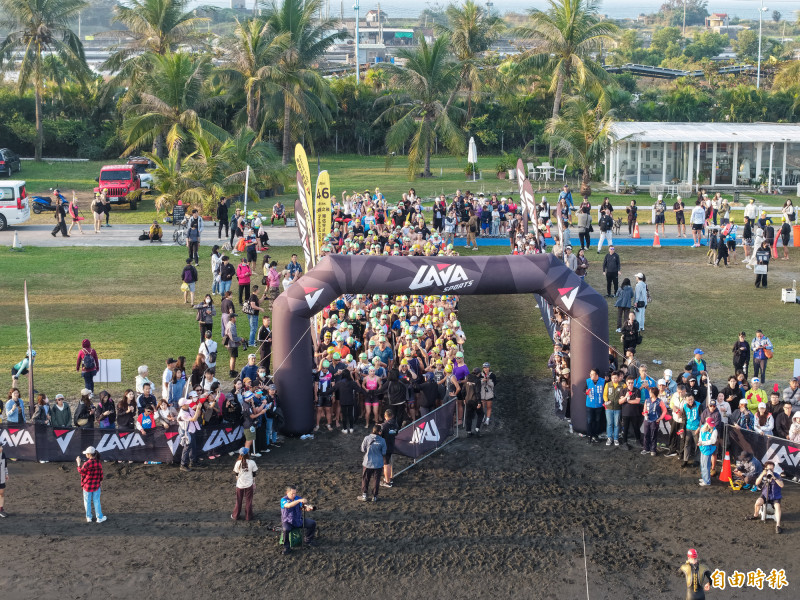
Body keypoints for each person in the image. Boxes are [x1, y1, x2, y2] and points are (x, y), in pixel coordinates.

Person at [747, 461, 784, 534]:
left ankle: (778, 525)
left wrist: (774, 477)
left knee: (777, 506)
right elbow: (757, 483)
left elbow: (782, 485)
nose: (770, 471)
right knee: (758, 502)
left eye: (772, 469)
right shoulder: (763, 475)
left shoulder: (777, 475)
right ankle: (755, 515)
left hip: (775, 496)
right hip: (765, 495)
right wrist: (762, 475)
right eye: (768, 469)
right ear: (765, 469)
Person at [280, 486, 316, 554]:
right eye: (292, 493)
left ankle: (308, 540)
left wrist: (307, 508)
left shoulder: (298, 498)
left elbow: (301, 507)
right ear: (287, 493)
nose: (294, 495)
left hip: (298, 520)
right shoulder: (283, 500)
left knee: (312, 523)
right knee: (285, 529)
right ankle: (287, 547)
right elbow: (288, 505)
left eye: (295, 493)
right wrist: (299, 500)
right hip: (288, 521)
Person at [76, 446, 106, 523]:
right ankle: (99, 517)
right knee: (96, 501)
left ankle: (89, 517)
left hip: (87, 486)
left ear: (89, 454)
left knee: (87, 501)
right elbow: (101, 474)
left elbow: (81, 471)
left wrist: (78, 463)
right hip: (96, 485)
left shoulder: (87, 464)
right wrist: (100, 481)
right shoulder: (98, 463)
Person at [359, 424, 387, 503]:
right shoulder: (382, 440)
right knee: (376, 480)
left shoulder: (367, 438)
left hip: (368, 463)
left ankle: (364, 495)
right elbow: (384, 452)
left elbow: (362, 449)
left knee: (365, 479)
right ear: (380, 432)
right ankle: (374, 496)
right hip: (378, 464)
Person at [231, 447, 258, 521]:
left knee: (238, 500)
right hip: (249, 484)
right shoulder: (252, 462)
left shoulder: (238, 463)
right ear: (248, 454)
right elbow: (254, 474)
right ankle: (248, 517)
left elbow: (236, 474)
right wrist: (254, 483)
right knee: (249, 501)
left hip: (240, 485)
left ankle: (235, 515)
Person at [178, 394, 203, 472]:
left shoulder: (188, 409)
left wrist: (197, 409)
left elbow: (197, 415)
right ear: (183, 405)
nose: (188, 404)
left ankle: (193, 461)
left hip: (191, 430)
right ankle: (183, 464)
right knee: (187, 447)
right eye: (187, 403)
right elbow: (194, 419)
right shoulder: (183, 414)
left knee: (193, 446)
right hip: (186, 432)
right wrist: (198, 408)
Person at [642, 387, 666, 456]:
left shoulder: (659, 401)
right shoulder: (647, 400)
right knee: (646, 434)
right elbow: (645, 409)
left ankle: (653, 449)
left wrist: (660, 418)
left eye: (650, 392)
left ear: (654, 393)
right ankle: (646, 448)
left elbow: (664, 410)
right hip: (647, 420)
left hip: (655, 421)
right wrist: (645, 413)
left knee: (653, 435)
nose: (649, 394)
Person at [585, 369, 605, 444]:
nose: (591, 375)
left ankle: (595, 435)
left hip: (599, 405)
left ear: (597, 375)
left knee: (597, 421)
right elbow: (584, 390)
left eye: (593, 374)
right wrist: (586, 392)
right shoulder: (588, 381)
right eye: (590, 374)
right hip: (590, 405)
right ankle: (589, 437)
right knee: (589, 421)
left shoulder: (603, 381)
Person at [697, 418, 718, 487]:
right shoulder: (703, 427)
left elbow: (713, 441)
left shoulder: (714, 431)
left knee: (706, 465)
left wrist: (702, 442)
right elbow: (700, 436)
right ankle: (704, 478)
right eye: (710, 424)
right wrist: (700, 442)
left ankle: (707, 481)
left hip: (708, 449)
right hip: (703, 448)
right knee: (702, 464)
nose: (712, 426)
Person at [224, 313, 244, 377]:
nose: (236, 318)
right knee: (233, 358)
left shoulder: (231, 324)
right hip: (232, 345)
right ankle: (232, 372)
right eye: (235, 317)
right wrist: (240, 339)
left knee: (233, 358)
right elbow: (233, 338)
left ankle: (232, 370)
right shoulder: (231, 326)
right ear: (232, 318)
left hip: (232, 344)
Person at [0, 443, 8, 517]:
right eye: (0, 446)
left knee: (1, 493)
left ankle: (1, 509)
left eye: (1, 446)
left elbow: (5, 465)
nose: (1, 448)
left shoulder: (3, 454)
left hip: (1, 477)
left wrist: (6, 474)